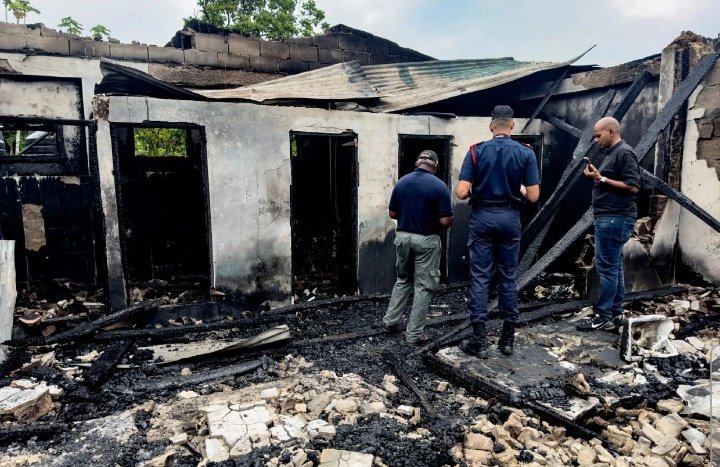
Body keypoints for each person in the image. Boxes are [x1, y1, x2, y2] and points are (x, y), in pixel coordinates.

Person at [455, 105, 540, 358]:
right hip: (510, 218)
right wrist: (519, 190)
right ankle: (507, 341)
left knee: (480, 278)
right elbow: (534, 196)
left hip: (482, 216)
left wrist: (477, 189)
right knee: (508, 277)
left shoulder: (475, 151)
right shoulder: (526, 153)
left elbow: (461, 192)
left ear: (492, 126)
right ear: (512, 126)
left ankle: (479, 343)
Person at [383, 150, 454, 346]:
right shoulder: (440, 187)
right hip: (427, 240)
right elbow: (446, 220)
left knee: (403, 279)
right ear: (436, 166)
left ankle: (389, 322)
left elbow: (392, 213)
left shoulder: (402, 182)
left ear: (417, 163)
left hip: (403, 238)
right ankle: (413, 336)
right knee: (423, 287)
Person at [576, 116, 640, 331]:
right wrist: (597, 176)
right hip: (611, 217)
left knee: (607, 268)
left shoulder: (624, 153)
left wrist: (601, 179)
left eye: (598, 135)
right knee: (614, 267)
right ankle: (616, 312)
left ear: (612, 132)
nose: (596, 140)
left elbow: (633, 187)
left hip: (615, 218)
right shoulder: (614, 153)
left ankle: (603, 315)